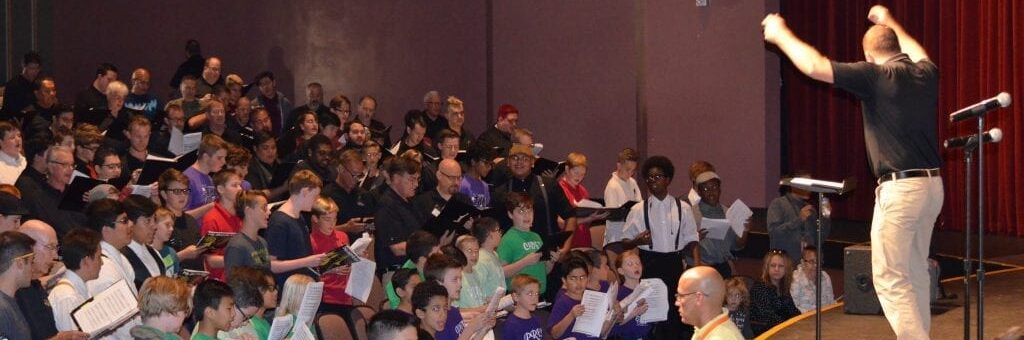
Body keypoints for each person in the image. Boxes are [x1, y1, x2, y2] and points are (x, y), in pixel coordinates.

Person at [763, 5, 943, 338]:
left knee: (890, 278)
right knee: (915, 271)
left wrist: (780, 35)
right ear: (898, 47)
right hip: (931, 187)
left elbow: (815, 66)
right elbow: (918, 51)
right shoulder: (925, 73)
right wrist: (889, 20)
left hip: (901, 190)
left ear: (869, 56)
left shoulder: (875, 75)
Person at [620, 155, 700, 339]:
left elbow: (692, 239)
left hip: (674, 263)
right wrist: (636, 242)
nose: (652, 181)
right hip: (650, 264)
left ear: (668, 179)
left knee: (674, 314)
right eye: (649, 178)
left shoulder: (683, 208)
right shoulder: (638, 209)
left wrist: (697, 266)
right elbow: (624, 241)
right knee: (652, 315)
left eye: (657, 177)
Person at [266, 170, 326, 286]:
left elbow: (300, 254)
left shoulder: (298, 216)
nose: (316, 201)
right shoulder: (279, 222)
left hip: (303, 285)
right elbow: (272, 265)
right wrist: (307, 262)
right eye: (314, 196)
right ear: (304, 192)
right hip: (290, 289)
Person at [691, 170, 750, 278]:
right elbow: (680, 247)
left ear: (720, 190)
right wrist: (693, 239)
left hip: (723, 268)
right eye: (706, 189)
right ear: (699, 192)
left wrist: (745, 230)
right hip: (700, 268)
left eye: (714, 187)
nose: (711, 192)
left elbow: (737, 246)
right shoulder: (691, 213)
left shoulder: (729, 213)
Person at [18, 146, 86, 238]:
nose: (70, 169)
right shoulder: (39, 196)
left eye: (72, 165)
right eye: (64, 165)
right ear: (50, 166)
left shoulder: (76, 192)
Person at [423, 253, 496, 340]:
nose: (460, 285)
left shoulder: (454, 311)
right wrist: (471, 328)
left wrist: (484, 328)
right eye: (455, 280)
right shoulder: (437, 319)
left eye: (460, 279)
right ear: (438, 283)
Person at [767, 170, 832, 265]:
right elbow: (774, 233)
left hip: (806, 266)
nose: (809, 187)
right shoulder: (778, 204)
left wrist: (825, 218)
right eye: (806, 184)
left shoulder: (811, 209)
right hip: (785, 265)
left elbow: (819, 240)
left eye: (810, 184)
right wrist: (799, 220)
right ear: (794, 185)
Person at [374, 156, 426, 272]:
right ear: (396, 178)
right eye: (412, 179)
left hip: (414, 267)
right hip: (398, 273)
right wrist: (429, 246)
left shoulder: (412, 201)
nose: (416, 184)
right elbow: (397, 248)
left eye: (418, 179)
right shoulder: (386, 205)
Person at [48, 228, 103, 332]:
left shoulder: (78, 289)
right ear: (86, 261)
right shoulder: (67, 297)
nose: (102, 263)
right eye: (99, 257)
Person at [497, 193, 554, 294]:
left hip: (538, 294)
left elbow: (544, 270)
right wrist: (525, 262)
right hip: (519, 297)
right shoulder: (508, 239)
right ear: (510, 214)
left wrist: (551, 261)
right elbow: (501, 273)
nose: (527, 215)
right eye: (521, 211)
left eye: (530, 210)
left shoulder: (536, 236)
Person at [547, 257, 616, 339]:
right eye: (573, 278)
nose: (579, 282)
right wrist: (571, 315)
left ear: (588, 278)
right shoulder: (562, 302)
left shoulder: (594, 297)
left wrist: (612, 315)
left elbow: (601, 332)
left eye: (582, 277)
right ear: (564, 281)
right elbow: (554, 334)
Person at [675, 266, 745, 340]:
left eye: (681, 296)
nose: (676, 303)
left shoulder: (719, 337)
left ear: (698, 298)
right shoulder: (714, 329)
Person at [199, 169, 244, 281]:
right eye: (234, 185)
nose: (240, 189)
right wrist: (243, 259)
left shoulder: (241, 214)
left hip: (240, 278)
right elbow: (211, 260)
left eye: (240, 185)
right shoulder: (211, 219)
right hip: (221, 282)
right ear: (220, 189)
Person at [558, 152, 608, 248]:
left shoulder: (583, 190)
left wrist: (594, 216)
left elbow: (586, 220)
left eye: (582, 174)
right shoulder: (559, 189)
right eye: (576, 173)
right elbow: (561, 223)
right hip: (569, 245)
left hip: (584, 242)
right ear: (567, 169)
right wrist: (587, 219)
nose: (579, 177)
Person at [748, 250, 800, 336]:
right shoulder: (759, 287)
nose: (776, 269)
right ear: (767, 267)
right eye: (773, 265)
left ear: (786, 269)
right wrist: (791, 327)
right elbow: (769, 317)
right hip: (764, 333)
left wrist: (802, 322)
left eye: (781, 266)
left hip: (781, 330)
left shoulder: (783, 287)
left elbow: (793, 311)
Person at [0, 230, 38, 339]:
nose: (33, 268)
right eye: (31, 262)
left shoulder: (10, 301)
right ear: (20, 264)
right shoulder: (2, 310)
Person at [121, 195, 164, 290]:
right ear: (130, 223)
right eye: (148, 221)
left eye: (154, 219)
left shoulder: (154, 252)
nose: (154, 226)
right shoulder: (122, 258)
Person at [224, 191, 272, 272]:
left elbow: (266, 273)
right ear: (248, 211)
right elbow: (233, 279)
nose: (269, 212)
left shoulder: (263, 242)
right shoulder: (236, 247)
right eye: (264, 208)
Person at [603, 148, 643, 245]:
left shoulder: (632, 182)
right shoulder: (612, 186)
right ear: (619, 166)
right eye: (628, 169)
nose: (630, 174)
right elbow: (613, 216)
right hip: (616, 238)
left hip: (630, 235)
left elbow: (639, 204)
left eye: (633, 170)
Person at [610, 250, 652, 339]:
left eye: (638, 263)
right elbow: (612, 327)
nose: (636, 266)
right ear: (621, 271)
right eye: (630, 264)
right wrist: (633, 313)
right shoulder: (618, 294)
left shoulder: (648, 290)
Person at [225, 266, 275, 339]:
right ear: (233, 304)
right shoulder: (218, 331)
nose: (246, 323)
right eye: (245, 317)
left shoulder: (246, 325)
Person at [184, 134, 229, 211]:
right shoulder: (187, 179)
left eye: (224, 158)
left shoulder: (209, 178)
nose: (224, 162)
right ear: (206, 157)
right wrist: (212, 206)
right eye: (219, 158)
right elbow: (181, 216)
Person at [790, 245, 836, 313]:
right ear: (802, 262)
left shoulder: (825, 277)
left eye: (819, 262)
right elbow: (793, 308)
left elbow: (831, 302)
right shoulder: (795, 279)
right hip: (804, 317)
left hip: (826, 316)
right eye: (811, 262)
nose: (816, 265)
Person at [1, 51, 43, 119]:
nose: (35, 72)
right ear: (24, 66)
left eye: (37, 68)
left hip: (34, 118)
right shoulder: (13, 85)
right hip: (16, 120)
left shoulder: (36, 84)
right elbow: (11, 111)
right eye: (31, 68)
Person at [503, 274, 545, 340]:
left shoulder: (536, 319)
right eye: (530, 294)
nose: (535, 298)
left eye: (537, 294)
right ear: (516, 297)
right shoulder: (511, 325)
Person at [252, 71, 293, 136]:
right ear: (259, 88)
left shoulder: (285, 103)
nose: (265, 87)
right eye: (261, 85)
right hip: (263, 139)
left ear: (273, 82)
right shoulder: (255, 105)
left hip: (282, 138)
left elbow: (290, 124)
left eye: (267, 83)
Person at [151, 207, 181, 277]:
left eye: (172, 226)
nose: (171, 229)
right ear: (154, 225)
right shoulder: (146, 253)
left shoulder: (171, 252)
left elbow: (175, 276)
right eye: (167, 225)